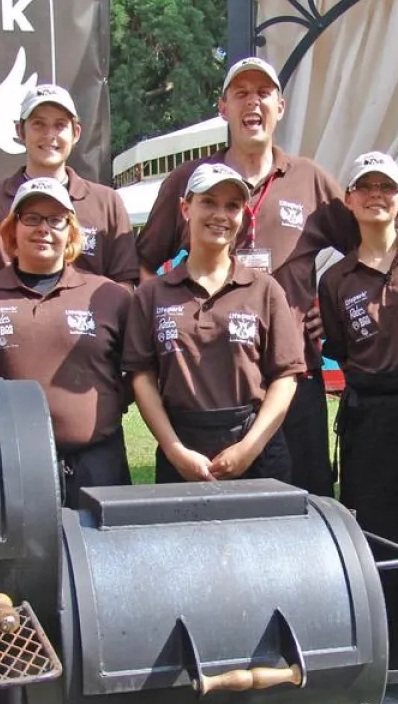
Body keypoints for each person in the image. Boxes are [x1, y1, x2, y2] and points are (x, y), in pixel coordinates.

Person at [136, 56, 357, 497]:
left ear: (281, 106)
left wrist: (329, 314)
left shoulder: (310, 179)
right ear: (222, 107)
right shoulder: (190, 181)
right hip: (207, 391)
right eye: (241, 93)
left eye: (263, 93)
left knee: (302, 514)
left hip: (292, 382)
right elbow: (143, 264)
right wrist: (159, 336)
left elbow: (367, 249)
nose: (252, 102)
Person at [317, 151, 398, 694]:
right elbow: (337, 348)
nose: (376, 195)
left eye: (387, 187)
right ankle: (387, 661)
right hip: (369, 421)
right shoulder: (336, 279)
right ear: (349, 199)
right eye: (364, 187)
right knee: (378, 539)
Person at [124, 162, 305, 483]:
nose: (220, 214)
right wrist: (174, 449)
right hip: (182, 453)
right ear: (185, 208)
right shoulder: (151, 295)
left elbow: (286, 377)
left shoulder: (265, 290)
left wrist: (249, 448)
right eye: (208, 202)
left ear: (243, 215)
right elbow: (143, 377)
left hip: (257, 453)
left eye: (232, 205)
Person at [0, 177, 133, 506]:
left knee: (102, 556)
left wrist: (99, 411)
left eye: (55, 220)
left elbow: (135, 371)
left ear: (71, 232)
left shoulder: (107, 295)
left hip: (97, 464)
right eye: (31, 218)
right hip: (11, 464)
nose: (43, 229)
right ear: (12, 229)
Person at [0, 84, 139, 288]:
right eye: (38, 124)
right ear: (20, 131)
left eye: (60, 125)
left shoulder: (106, 202)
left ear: (76, 133)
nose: (49, 134)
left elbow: (123, 285)